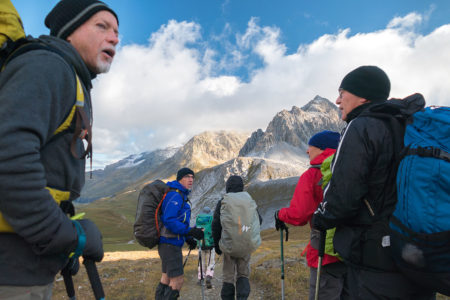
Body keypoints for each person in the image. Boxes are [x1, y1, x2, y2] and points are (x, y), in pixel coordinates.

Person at [0, 0, 119, 298]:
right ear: (69, 32)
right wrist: (67, 237)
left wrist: (58, 245)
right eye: (101, 26)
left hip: (25, 262)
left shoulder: (66, 73)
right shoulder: (50, 67)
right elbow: (8, 158)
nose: (114, 37)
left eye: (117, 32)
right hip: (11, 271)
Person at [312, 66, 436, 299]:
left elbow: (343, 196)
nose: (338, 100)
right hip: (417, 256)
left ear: (363, 95)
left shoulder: (361, 126)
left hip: (374, 260)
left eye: (342, 92)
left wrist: (321, 218)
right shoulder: (408, 126)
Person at [274, 130, 347, 300]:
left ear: (322, 149)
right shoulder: (349, 168)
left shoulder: (312, 174)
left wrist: (280, 214)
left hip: (325, 252)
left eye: (311, 147)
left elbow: (299, 214)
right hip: (351, 248)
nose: (307, 151)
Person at [155, 167, 204, 300]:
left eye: (192, 177)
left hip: (168, 243)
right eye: (187, 176)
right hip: (170, 244)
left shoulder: (179, 194)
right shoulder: (175, 195)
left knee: (166, 278)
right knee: (177, 281)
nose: (191, 179)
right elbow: (169, 220)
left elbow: (178, 221)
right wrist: (190, 231)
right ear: (180, 178)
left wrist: (188, 238)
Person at [212, 175, 261, 300]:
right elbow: (258, 220)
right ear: (241, 186)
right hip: (246, 244)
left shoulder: (224, 200)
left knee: (228, 276)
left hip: (229, 245)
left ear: (228, 187)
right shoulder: (249, 199)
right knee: (243, 274)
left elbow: (216, 224)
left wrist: (217, 246)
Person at [196, 206, 216, 289]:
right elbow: (215, 230)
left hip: (200, 244)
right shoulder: (212, 219)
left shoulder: (198, 219)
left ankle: (201, 279)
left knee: (201, 262)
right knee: (210, 262)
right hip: (210, 245)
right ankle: (208, 276)